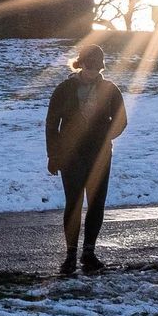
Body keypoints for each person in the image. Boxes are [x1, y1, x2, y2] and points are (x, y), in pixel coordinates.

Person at [45, 44, 127, 275]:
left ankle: (89, 254)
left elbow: (121, 120)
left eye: (96, 68)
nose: (92, 72)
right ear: (80, 65)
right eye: (88, 67)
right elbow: (52, 124)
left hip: (99, 156)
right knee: (73, 204)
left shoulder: (111, 90)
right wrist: (53, 155)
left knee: (96, 204)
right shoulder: (64, 89)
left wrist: (104, 138)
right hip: (70, 156)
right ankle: (70, 255)